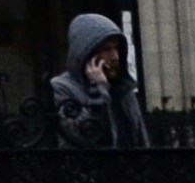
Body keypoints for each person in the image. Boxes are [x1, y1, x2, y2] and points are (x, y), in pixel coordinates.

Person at [49, 12, 147, 149]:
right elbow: (81, 135)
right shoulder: (61, 87)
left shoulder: (123, 88)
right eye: (107, 49)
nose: (115, 57)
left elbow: (139, 136)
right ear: (87, 52)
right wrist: (98, 90)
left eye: (117, 48)